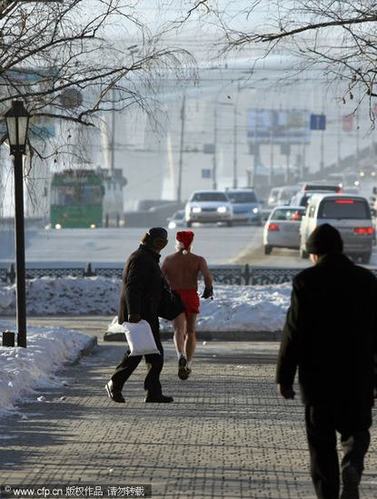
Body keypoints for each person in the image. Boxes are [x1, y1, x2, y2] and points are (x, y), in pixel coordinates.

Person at [276, 223, 377, 499]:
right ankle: (353, 462)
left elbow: (293, 333)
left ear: (315, 253)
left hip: (318, 379)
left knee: (321, 446)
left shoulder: (306, 282)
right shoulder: (366, 280)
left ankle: (328, 495)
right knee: (356, 429)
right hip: (358, 375)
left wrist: (284, 378)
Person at [105, 227, 174, 404]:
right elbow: (132, 287)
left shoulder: (149, 257)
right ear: (149, 240)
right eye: (158, 242)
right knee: (145, 354)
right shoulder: (140, 258)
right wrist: (133, 312)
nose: (161, 246)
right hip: (139, 315)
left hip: (147, 313)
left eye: (164, 243)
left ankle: (152, 392)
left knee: (150, 354)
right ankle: (116, 383)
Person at [162, 230, 213, 380]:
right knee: (190, 331)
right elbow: (207, 276)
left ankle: (180, 356)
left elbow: (160, 277)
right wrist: (208, 288)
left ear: (177, 242)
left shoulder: (169, 260)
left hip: (175, 295)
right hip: (190, 295)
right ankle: (188, 364)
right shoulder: (198, 260)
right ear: (191, 243)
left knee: (178, 330)